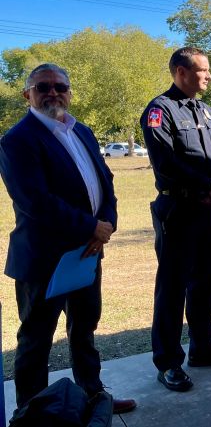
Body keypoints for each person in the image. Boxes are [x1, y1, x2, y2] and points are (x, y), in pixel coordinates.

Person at [0, 63, 136, 414]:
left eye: (60, 86)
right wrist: (90, 228)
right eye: (43, 86)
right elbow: (35, 201)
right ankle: (32, 413)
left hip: (87, 252)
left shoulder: (83, 131)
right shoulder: (17, 140)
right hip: (44, 259)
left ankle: (93, 396)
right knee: (36, 340)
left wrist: (106, 225)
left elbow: (105, 184)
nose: (53, 92)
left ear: (69, 91)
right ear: (27, 95)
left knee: (85, 328)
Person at [141, 47, 211, 393]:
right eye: (203, 70)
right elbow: (165, 161)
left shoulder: (206, 110)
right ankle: (168, 362)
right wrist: (206, 184)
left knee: (205, 282)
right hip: (178, 210)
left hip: (210, 210)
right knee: (172, 288)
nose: (209, 76)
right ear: (181, 72)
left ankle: (203, 346)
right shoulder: (159, 110)